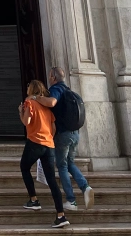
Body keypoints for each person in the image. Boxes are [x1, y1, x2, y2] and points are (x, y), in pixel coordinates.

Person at [18, 80, 69, 228]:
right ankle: (61, 215)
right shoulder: (47, 108)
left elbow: (26, 121)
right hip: (49, 145)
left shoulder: (29, 102)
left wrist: (21, 111)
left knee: (24, 167)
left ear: (31, 89)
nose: (26, 88)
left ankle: (34, 200)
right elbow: (52, 129)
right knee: (52, 181)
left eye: (28, 86)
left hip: (35, 142)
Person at [48, 66, 94, 212]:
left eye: (50, 76)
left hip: (63, 134)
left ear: (54, 78)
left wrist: (37, 98)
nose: (49, 78)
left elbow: (51, 102)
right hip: (75, 134)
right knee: (70, 163)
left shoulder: (56, 89)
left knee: (61, 166)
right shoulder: (70, 91)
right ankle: (85, 187)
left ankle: (71, 200)